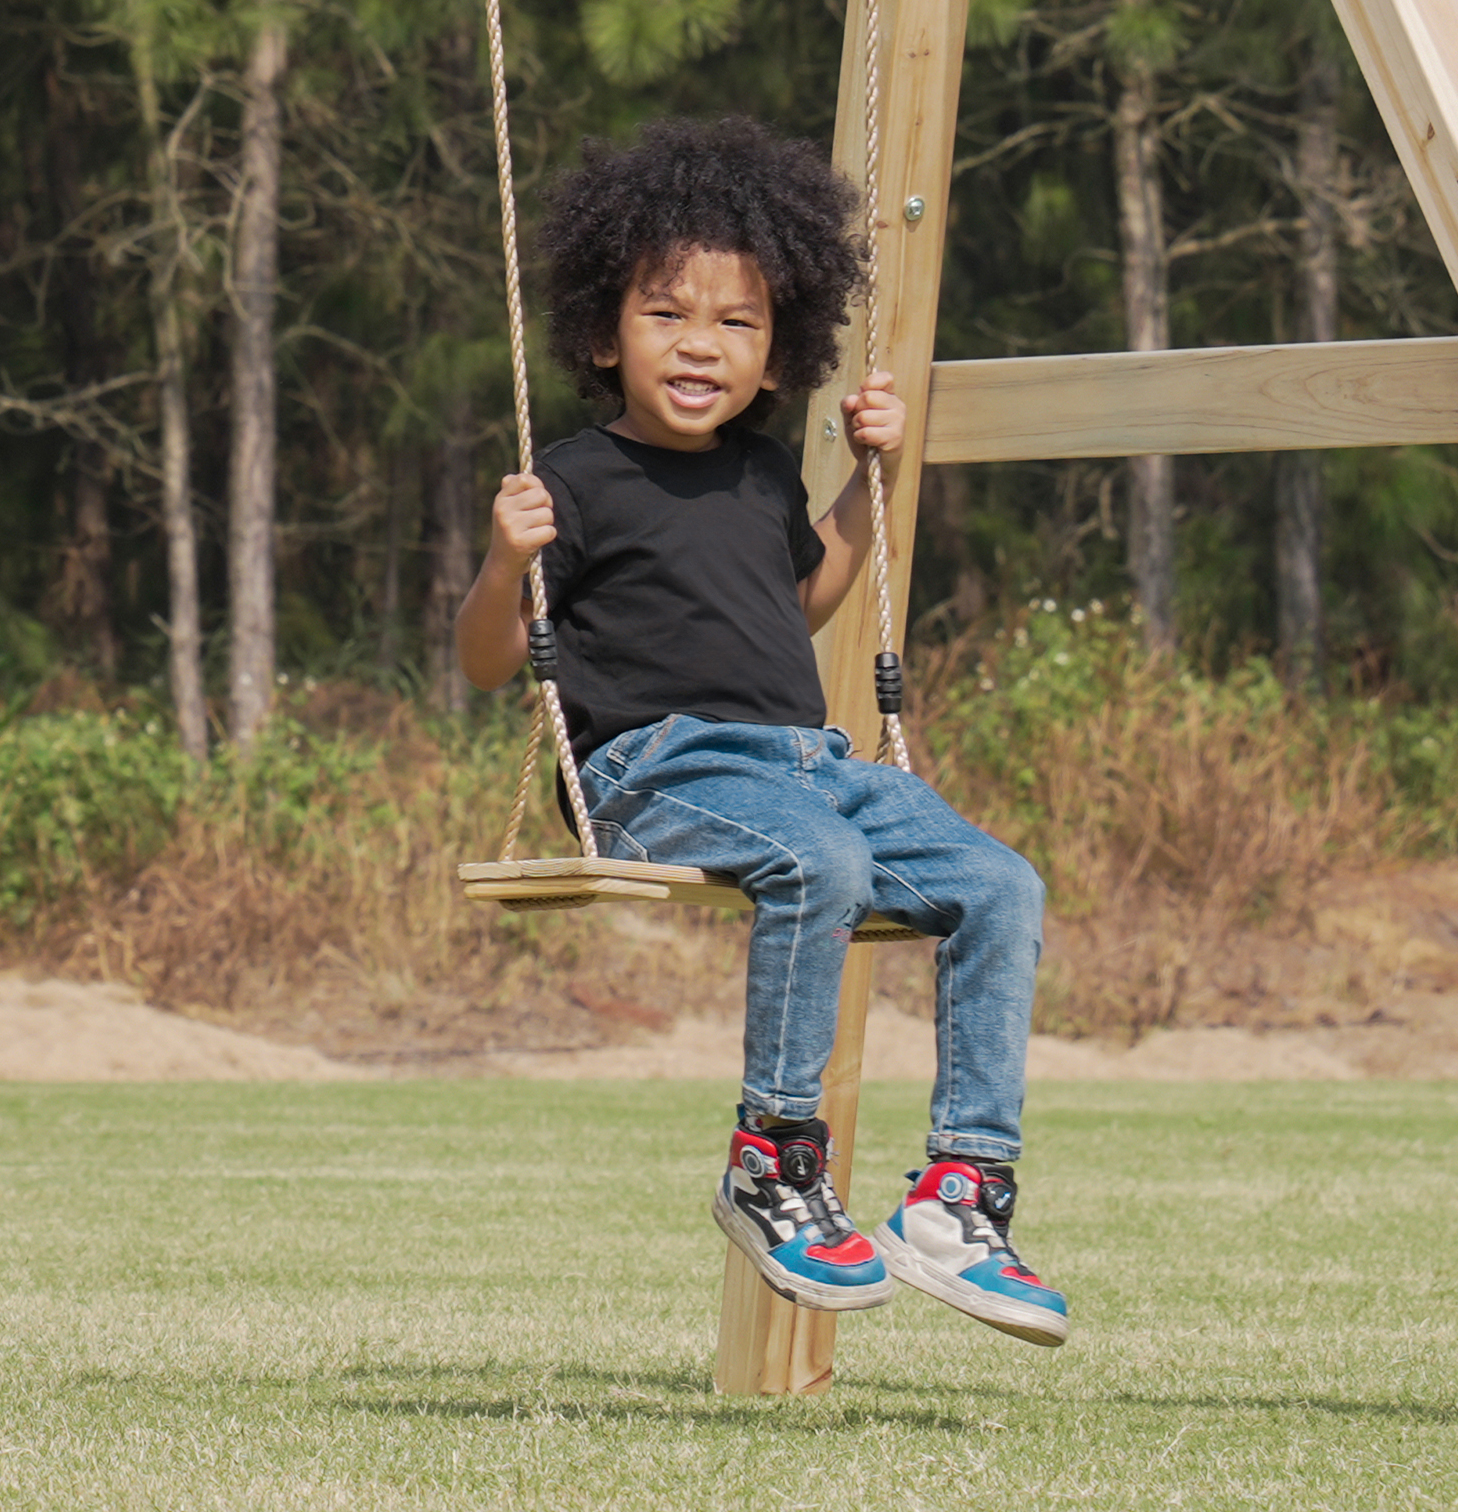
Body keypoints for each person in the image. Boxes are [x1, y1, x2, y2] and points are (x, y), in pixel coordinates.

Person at [454, 116, 1065, 1347]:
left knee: (1001, 883)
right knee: (822, 867)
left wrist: (867, 483)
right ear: (600, 333)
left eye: (738, 324)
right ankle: (774, 1164)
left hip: (810, 764)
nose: (702, 346)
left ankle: (960, 1197)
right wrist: (500, 560)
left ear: (779, 349)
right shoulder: (573, 480)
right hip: (652, 766)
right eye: (667, 315)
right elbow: (487, 661)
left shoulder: (761, 474)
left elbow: (802, 601)